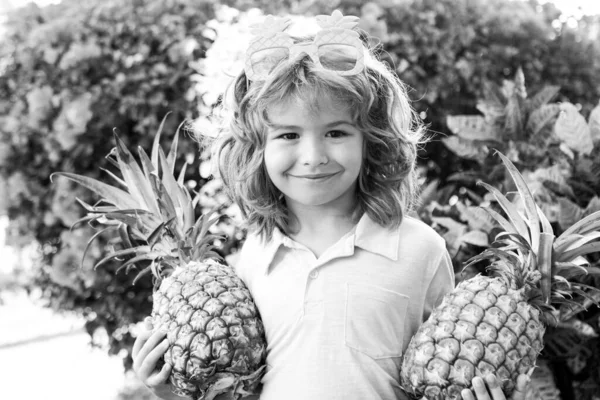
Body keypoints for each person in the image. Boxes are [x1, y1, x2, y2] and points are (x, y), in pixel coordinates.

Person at [132, 10, 531, 400]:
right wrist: (174, 391)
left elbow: (444, 374)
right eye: (288, 135)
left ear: (371, 141)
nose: (313, 155)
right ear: (256, 149)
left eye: (336, 132)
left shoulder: (419, 250)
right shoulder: (254, 256)